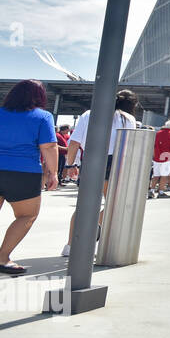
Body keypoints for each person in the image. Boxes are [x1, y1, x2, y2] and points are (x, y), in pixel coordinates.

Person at [0, 80, 59, 280]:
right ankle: (2, 257)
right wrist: (53, 173)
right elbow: (49, 147)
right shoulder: (42, 116)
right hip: (23, 172)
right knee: (26, 216)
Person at [64, 88, 139, 256]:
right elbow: (129, 144)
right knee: (113, 204)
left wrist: (70, 165)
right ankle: (92, 233)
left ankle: (70, 245)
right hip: (115, 161)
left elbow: (74, 141)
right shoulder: (129, 119)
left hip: (90, 158)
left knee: (83, 206)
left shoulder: (89, 114)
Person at [150, 121, 170, 199]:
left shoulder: (157, 133)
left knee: (155, 175)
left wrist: (154, 156)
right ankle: (161, 192)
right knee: (164, 175)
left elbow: (154, 146)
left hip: (157, 157)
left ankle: (151, 190)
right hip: (167, 158)